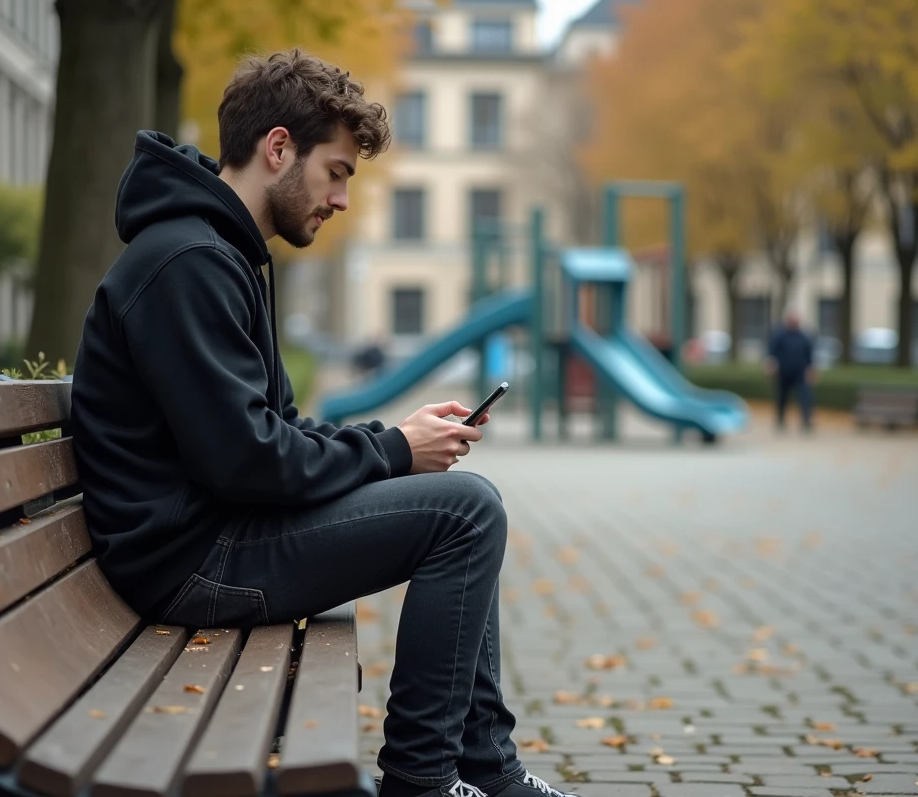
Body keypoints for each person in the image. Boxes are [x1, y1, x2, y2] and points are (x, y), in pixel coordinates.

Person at [69, 51, 576, 797]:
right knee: (465, 513)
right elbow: (246, 461)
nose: (341, 199)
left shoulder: (221, 254)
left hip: (211, 535)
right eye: (336, 171)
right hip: (191, 561)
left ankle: (484, 770)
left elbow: (272, 433)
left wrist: (392, 441)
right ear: (279, 148)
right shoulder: (187, 263)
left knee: (463, 507)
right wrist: (396, 451)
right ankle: (426, 779)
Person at [765, 309, 817, 432]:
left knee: (805, 396)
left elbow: (809, 355)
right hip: (784, 372)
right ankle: (780, 420)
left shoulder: (804, 336)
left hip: (800, 372)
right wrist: (771, 365)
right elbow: (772, 352)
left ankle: (806, 420)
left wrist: (811, 370)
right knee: (782, 397)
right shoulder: (780, 335)